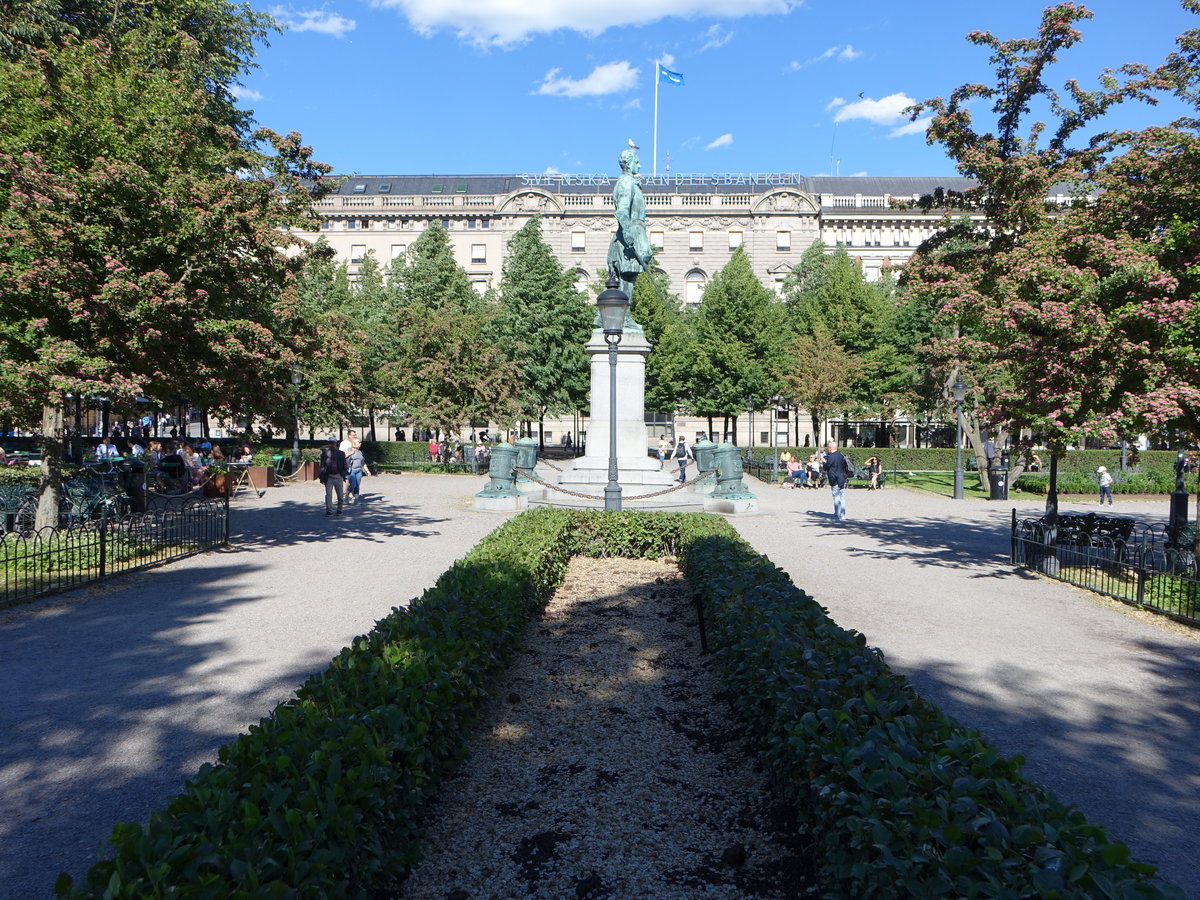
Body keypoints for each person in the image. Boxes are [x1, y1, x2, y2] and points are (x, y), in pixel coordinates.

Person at [607, 147, 653, 300]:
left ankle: (620, 314)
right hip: (631, 232)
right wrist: (627, 233)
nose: (639, 166)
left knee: (628, 277)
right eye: (637, 163)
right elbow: (622, 211)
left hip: (635, 231)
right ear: (628, 163)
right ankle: (623, 315)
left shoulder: (631, 182)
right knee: (627, 275)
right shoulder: (627, 182)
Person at [822, 440, 853, 520]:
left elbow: (825, 468)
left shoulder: (831, 457)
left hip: (834, 478)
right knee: (842, 496)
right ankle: (842, 515)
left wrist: (824, 462)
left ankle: (837, 515)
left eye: (828, 447)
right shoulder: (841, 455)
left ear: (830, 448)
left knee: (836, 497)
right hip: (842, 477)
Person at [319, 439, 348, 516]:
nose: (332, 445)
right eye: (330, 443)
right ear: (328, 443)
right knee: (328, 494)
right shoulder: (324, 454)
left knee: (340, 495)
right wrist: (322, 477)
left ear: (336, 444)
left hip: (338, 475)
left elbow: (345, 465)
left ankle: (339, 509)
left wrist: (344, 474)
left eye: (333, 443)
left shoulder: (341, 453)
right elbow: (322, 466)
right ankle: (329, 510)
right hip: (329, 476)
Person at [345, 439, 369, 504]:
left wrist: (367, 471)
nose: (360, 443)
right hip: (351, 470)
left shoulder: (360, 452)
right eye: (359, 442)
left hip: (359, 470)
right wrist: (350, 453)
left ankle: (356, 499)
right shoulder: (349, 449)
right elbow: (343, 456)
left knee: (357, 485)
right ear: (354, 443)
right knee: (353, 484)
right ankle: (346, 496)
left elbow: (363, 462)